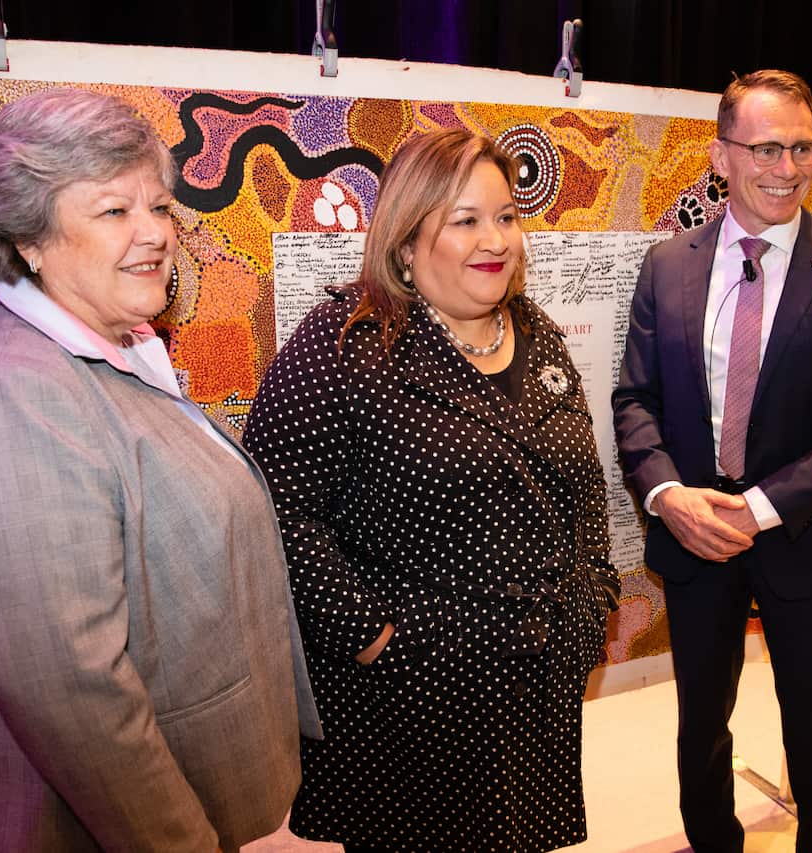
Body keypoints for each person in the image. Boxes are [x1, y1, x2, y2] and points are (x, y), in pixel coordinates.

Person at [0, 88, 320, 853]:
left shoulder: (119, 344)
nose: (155, 234)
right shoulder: (11, 397)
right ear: (29, 239)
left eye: (159, 208)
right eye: (113, 212)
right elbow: (75, 697)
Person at [242, 127, 619, 852]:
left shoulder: (535, 329)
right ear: (408, 241)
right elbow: (276, 509)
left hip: (533, 684)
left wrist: (594, 593)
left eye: (506, 216)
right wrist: (372, 640)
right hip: (411, 696)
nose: (497, 239)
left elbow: (581, 478)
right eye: (466, 220)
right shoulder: (345, 344)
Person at [612, 70, 812, 853]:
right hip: (694, 536)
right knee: (699, 723)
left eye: (803, 148)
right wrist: (670, 493)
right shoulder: (666, 265)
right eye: (767, 148)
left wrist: (761, 506)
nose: (788, 167)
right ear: (720, 156)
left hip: (808, 538)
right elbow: (634, 401)